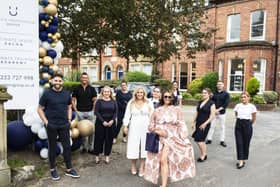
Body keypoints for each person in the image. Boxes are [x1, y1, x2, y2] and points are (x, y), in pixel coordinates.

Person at [144, 90, 196, 187]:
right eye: (165, 96)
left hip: (172, 138)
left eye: (169, 97)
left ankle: (164, 185)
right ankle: (164, 181)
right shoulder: (157, 110)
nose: (167, 98)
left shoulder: (177, 110)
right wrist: (158, 131)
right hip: (159, 138)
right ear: (162, 98)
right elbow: (150, 126)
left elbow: (182, 124)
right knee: (162, 161)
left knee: (163, 160)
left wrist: (183, 137)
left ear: (172, 98)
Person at [38, 73, 80, 180]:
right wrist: (46, 121)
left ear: (62, 82)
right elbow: (39, 109)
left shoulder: (66, 94)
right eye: (55, 80)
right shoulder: (47, 94)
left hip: (64, 124)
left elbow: (69, 107)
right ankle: (53, 169)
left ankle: (69, 169)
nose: (58, 82)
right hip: (51, 125)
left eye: (60, 81)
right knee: (52, 147)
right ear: (52, 81)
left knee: (67, 147)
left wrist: (69, 120)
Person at [123, 87, 154, 177]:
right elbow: (127, 115)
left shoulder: (148, 102)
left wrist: (153, 127)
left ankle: (142, 167)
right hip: (134, 127)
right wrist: (125, 125)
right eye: (138, 92)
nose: (140, 94)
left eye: (142, 92)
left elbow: (152, 115)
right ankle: (133, 166)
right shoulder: (131, 103)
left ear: (144, 94)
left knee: (145, 147)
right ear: (135, 93)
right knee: (133, 146)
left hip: (146, 127)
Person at [72, 72, 97, 153]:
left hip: (90, 112)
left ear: (88, 79)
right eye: (83, 77)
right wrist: (76, 110)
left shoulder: (92, 89)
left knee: (92, 130)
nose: (84, 79)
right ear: (81, 79)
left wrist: (93, 110)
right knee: (82, 130)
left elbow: (95, 100)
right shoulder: (76, 88)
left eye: (86, 78)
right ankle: (84, 147)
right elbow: (73, 100)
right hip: (80, 113)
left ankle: (91, 147)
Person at [93, 86, 118, 164]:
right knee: (98, 140)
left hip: (111, 124)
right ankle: (97, 156)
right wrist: (103, 121)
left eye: (108, 91)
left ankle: (107, 156)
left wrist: (112, 120)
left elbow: (116, 112)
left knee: (109, 140)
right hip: (100, 123)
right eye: (105, 91)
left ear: (110, 93)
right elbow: (96, 112)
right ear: (102, 92)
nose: (107, 93)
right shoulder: (99, 101)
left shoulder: (114, 101)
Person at [234, 92, 257, 169]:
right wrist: (239, 120)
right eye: (242, 97)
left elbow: (254, 118)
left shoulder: (252, 107)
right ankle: (240, 161)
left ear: (248, 98)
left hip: (247, 124)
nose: (243, 98)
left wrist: (249, 124)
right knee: (239, 143)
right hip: (238, 124)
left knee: (246, 143)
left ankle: (244, 159)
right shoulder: (238, 106)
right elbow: (236, 114)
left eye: (245, 97)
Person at [192, 88, 216, 162]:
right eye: (203, 93)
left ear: (209, 94)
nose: (203, 94)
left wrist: (205, 124)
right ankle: (204, 154)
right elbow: (197, 112)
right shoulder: (200, 102)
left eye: (205, 93)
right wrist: (193, 121)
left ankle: (203, 155)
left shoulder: (212, 103)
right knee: (199, 139)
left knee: (199, 140)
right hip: (198, 123)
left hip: (205, 124)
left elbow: (212, 116)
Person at [206, 80, 230, 147]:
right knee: (212, 126)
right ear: (216, 85)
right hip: (214, 113)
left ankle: (222, 141)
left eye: (220, 84)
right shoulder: (213, 94)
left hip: (222, 113)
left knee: (222, 127)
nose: (219, 85)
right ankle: (209, 139)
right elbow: (211, 102)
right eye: (218, 84)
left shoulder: (226, 94)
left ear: (223, 85)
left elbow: (226, 104)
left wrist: (218, 110)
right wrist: (214, 111)